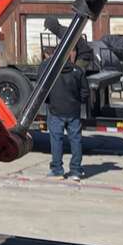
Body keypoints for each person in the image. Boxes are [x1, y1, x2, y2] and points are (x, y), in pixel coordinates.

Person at [46, 44, 88, 181]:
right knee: (76, 140)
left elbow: (43, 90)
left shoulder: (51, 70)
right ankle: (75, 170)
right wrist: (78, 102)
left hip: (56, 110)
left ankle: (57, 170)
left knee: (56, 140)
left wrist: (50, 101)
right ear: (70, 54)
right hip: (73, 111)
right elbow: (85, 92)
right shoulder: (78, 71)